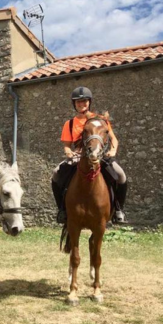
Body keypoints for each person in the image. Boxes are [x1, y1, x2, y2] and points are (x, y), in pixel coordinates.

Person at [51, 86, 128, 224]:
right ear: (74, 104)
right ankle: (62, 209)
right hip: (78, 157)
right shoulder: (69, 124)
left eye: (84, 101)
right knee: (56, 174)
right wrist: (69, 152)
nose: (82, 104)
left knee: (121, 175)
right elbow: (67, 145)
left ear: (89, 102)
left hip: (100, 155)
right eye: (78, 102)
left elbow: (113, 139)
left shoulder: (100, 120)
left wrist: (113, 150)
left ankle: (118, 209)